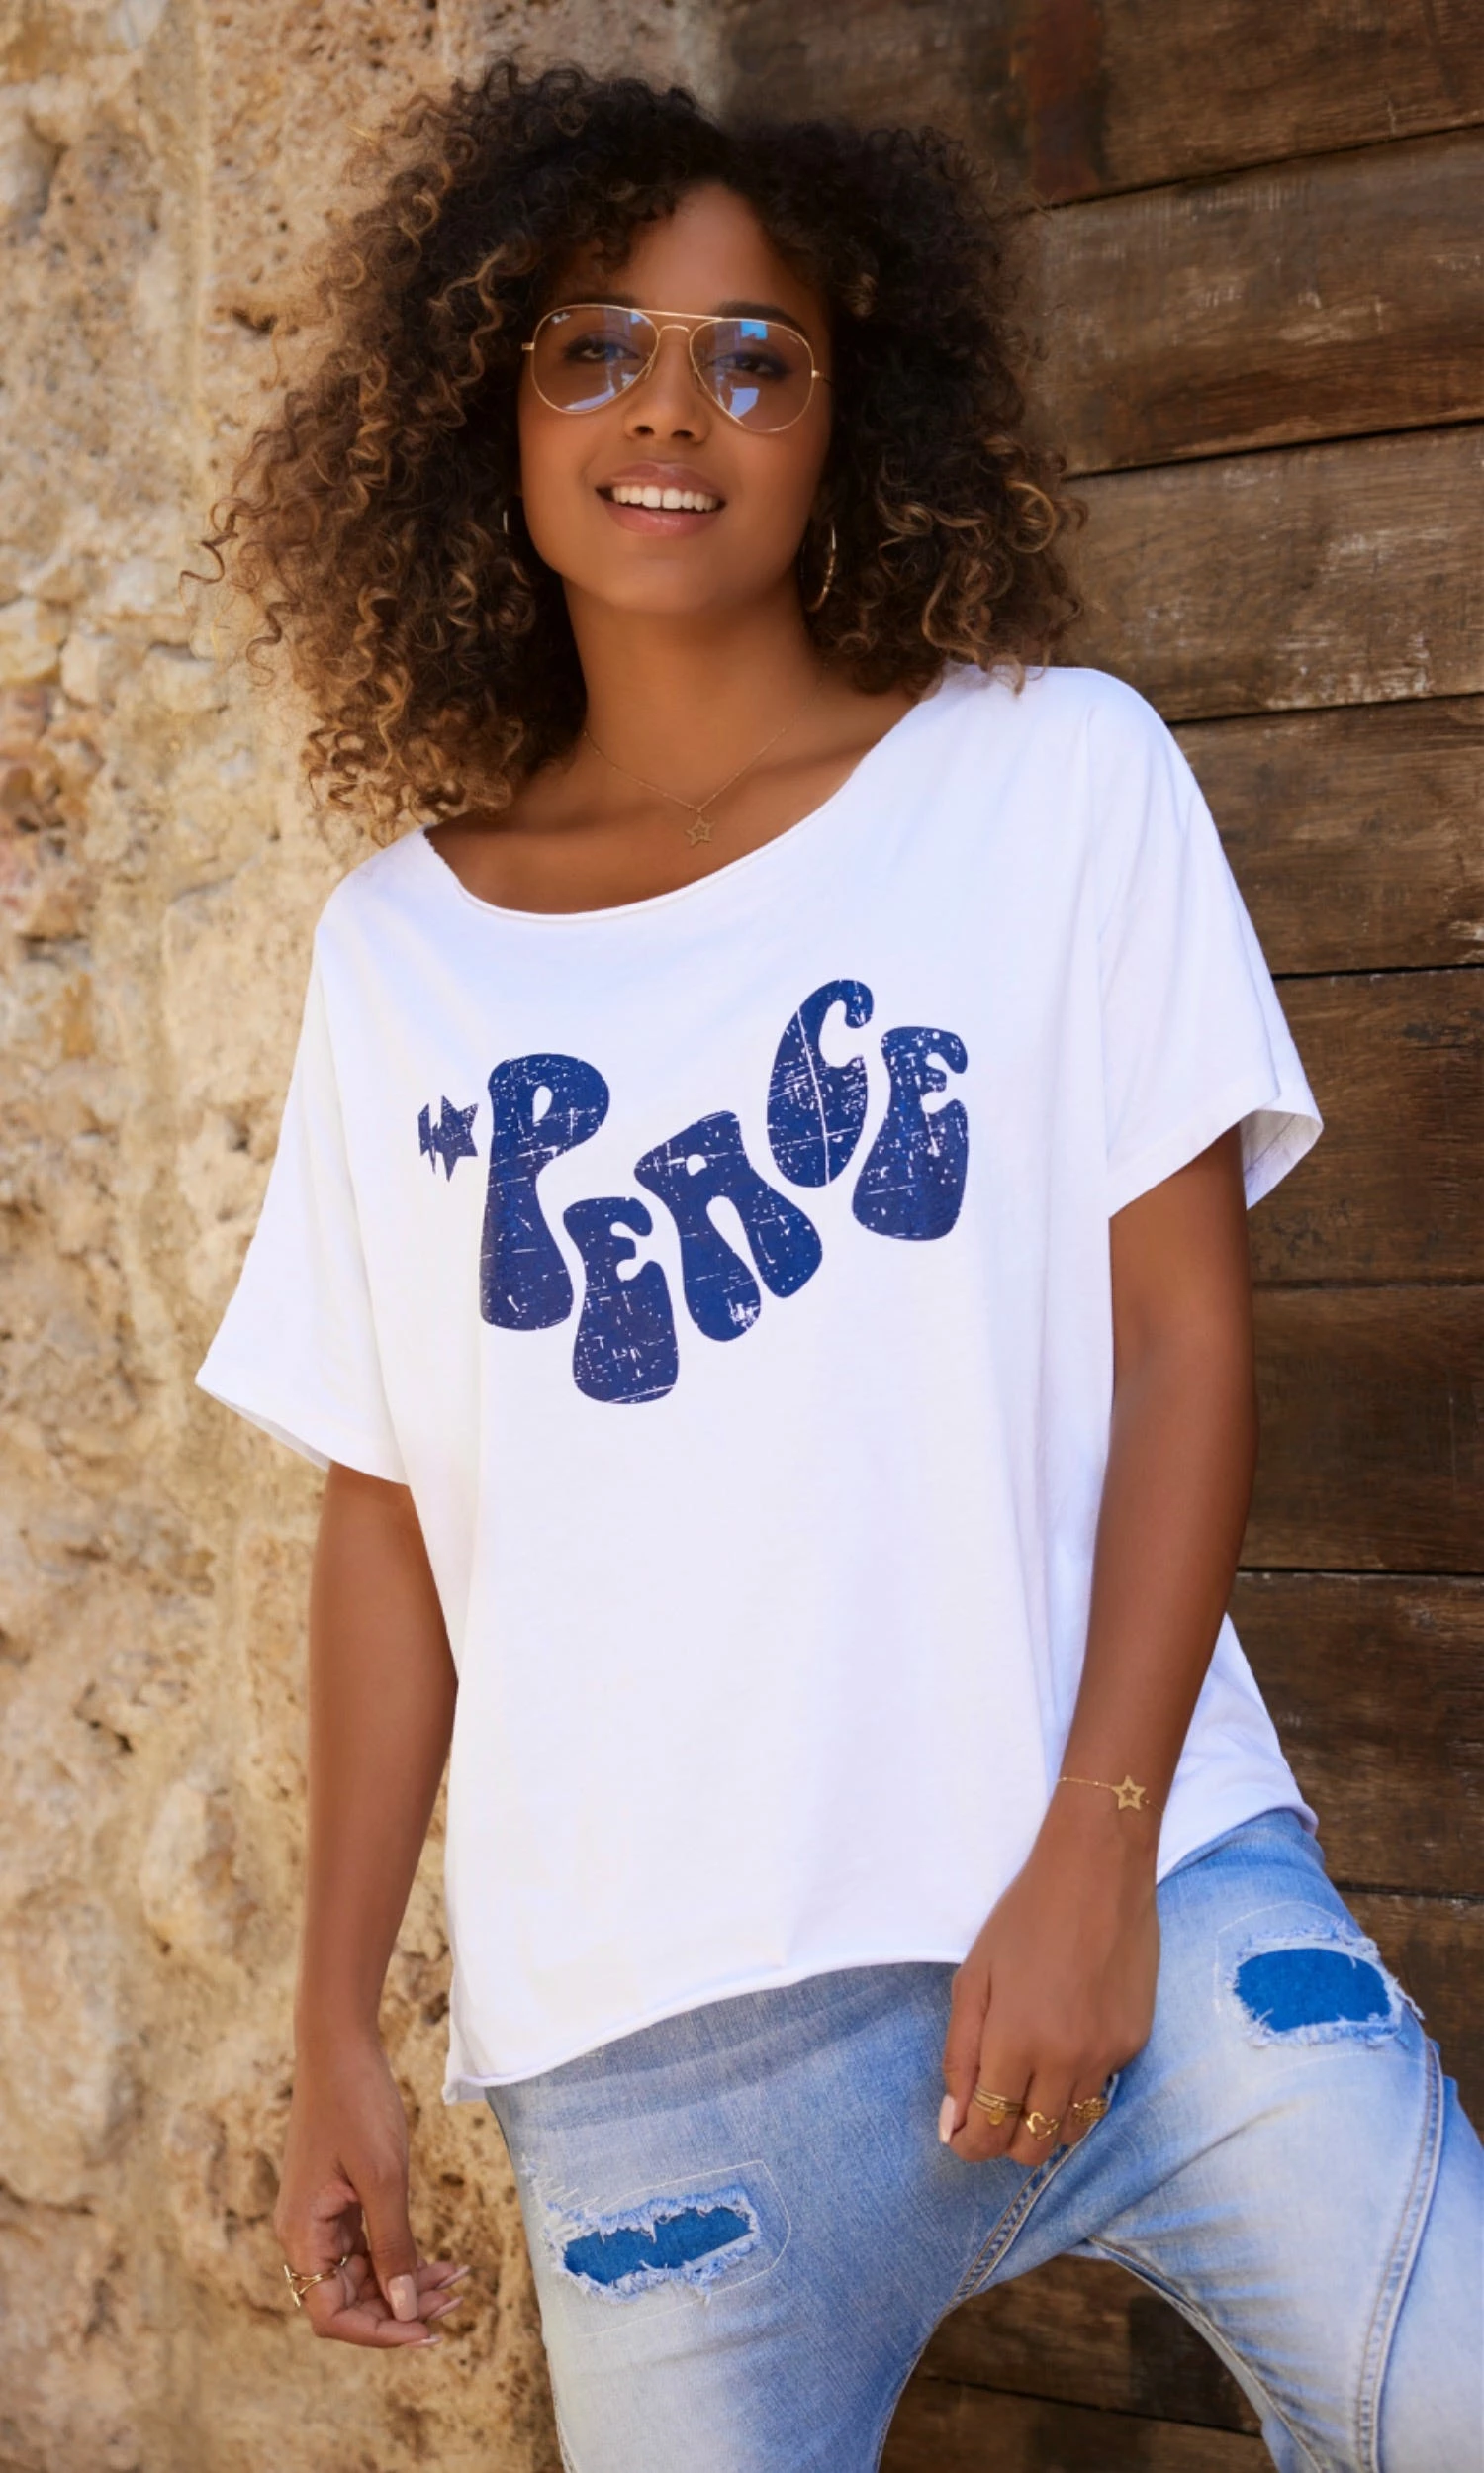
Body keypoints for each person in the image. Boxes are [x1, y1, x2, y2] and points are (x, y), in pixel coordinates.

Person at [196, 61, 1482, 2473]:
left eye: (752, 357)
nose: (669, 409)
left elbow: (1186, 1336)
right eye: (595, 345)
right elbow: (394, 1512)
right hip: (662, 2055)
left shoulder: (1055, 775)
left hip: (1152, 1898)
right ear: (488, 409)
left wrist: (1098, 1846)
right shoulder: (399, 957)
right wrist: (334, 2024)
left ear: (847, 420)